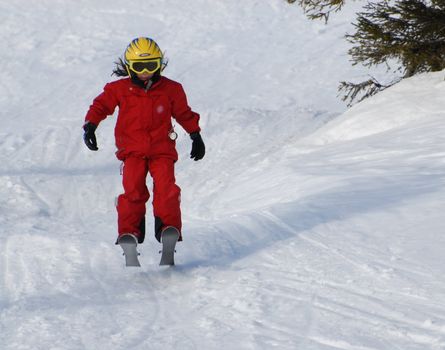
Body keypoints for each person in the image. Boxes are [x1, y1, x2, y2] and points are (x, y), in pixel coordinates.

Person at [83, 37, 205, 249]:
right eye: (140, 66)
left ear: (160, 65)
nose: (146, 71)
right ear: (129, 67)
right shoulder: (119, 89)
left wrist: (195, 135)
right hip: (132, 152)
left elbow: (184, 114)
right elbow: (101, 105)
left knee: (167, 189)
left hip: (162, 151)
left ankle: (168, 229)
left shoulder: (171, 89)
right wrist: (90, 125)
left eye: (152, 65)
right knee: (133, 191)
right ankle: (129, 233)